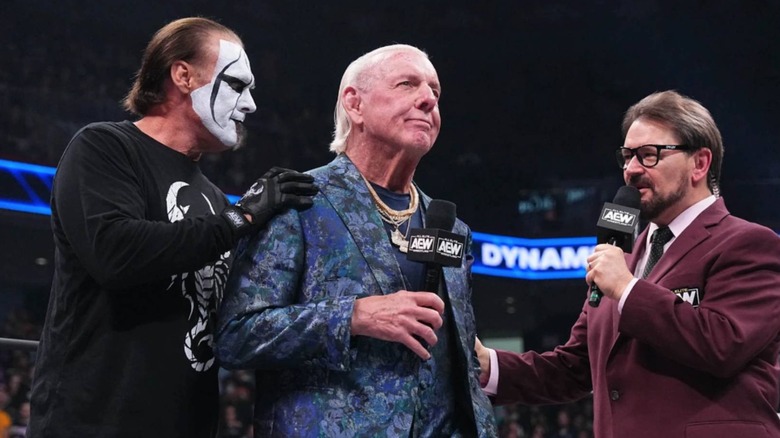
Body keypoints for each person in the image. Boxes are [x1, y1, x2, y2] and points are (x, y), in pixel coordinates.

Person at [28, 17, 317, 438]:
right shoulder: (104, 148)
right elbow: (116, 253)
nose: (251, 104)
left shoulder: (217, 201)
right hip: (92, 422)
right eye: (238, 84)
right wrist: (243, 218)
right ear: (182, 75)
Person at [215, 44, 497, 437]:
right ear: (355, 103)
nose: (428, 99)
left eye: (435, 91)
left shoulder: (452, 229)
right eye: (407, 84)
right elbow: (236, 336)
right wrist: (353, 316)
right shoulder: (297, 200)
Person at [477, 90, 780, 438]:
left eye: (648, 155)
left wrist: (626, 288)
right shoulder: (623, 256)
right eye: (627, 156)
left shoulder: (750, 244)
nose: (631, 170)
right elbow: (574, 369)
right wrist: (489, 365)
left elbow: (722, 344)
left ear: (700, 163)